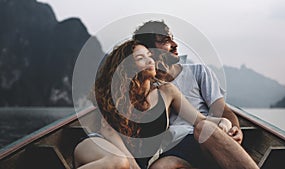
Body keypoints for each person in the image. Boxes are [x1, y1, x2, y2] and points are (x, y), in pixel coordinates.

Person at [73, 40, 247, 169]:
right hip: (101, 147)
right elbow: (109, 132)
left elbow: (200, 120)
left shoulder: (168, 92)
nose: (150, 61)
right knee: (120, 162)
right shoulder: (118, 94)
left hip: (141, 164)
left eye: (150, 56)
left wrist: (224, 122)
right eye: (141, 58)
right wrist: (134, 167)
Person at [133, 20, 248, 168]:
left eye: (172, 38)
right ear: (150, 51)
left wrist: (236, 129)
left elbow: (223, 110)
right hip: (174, 148)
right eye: (165, 41)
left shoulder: (198, 72)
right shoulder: (146, 85)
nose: (175, 44)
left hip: (207, 139)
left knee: (204, 128)